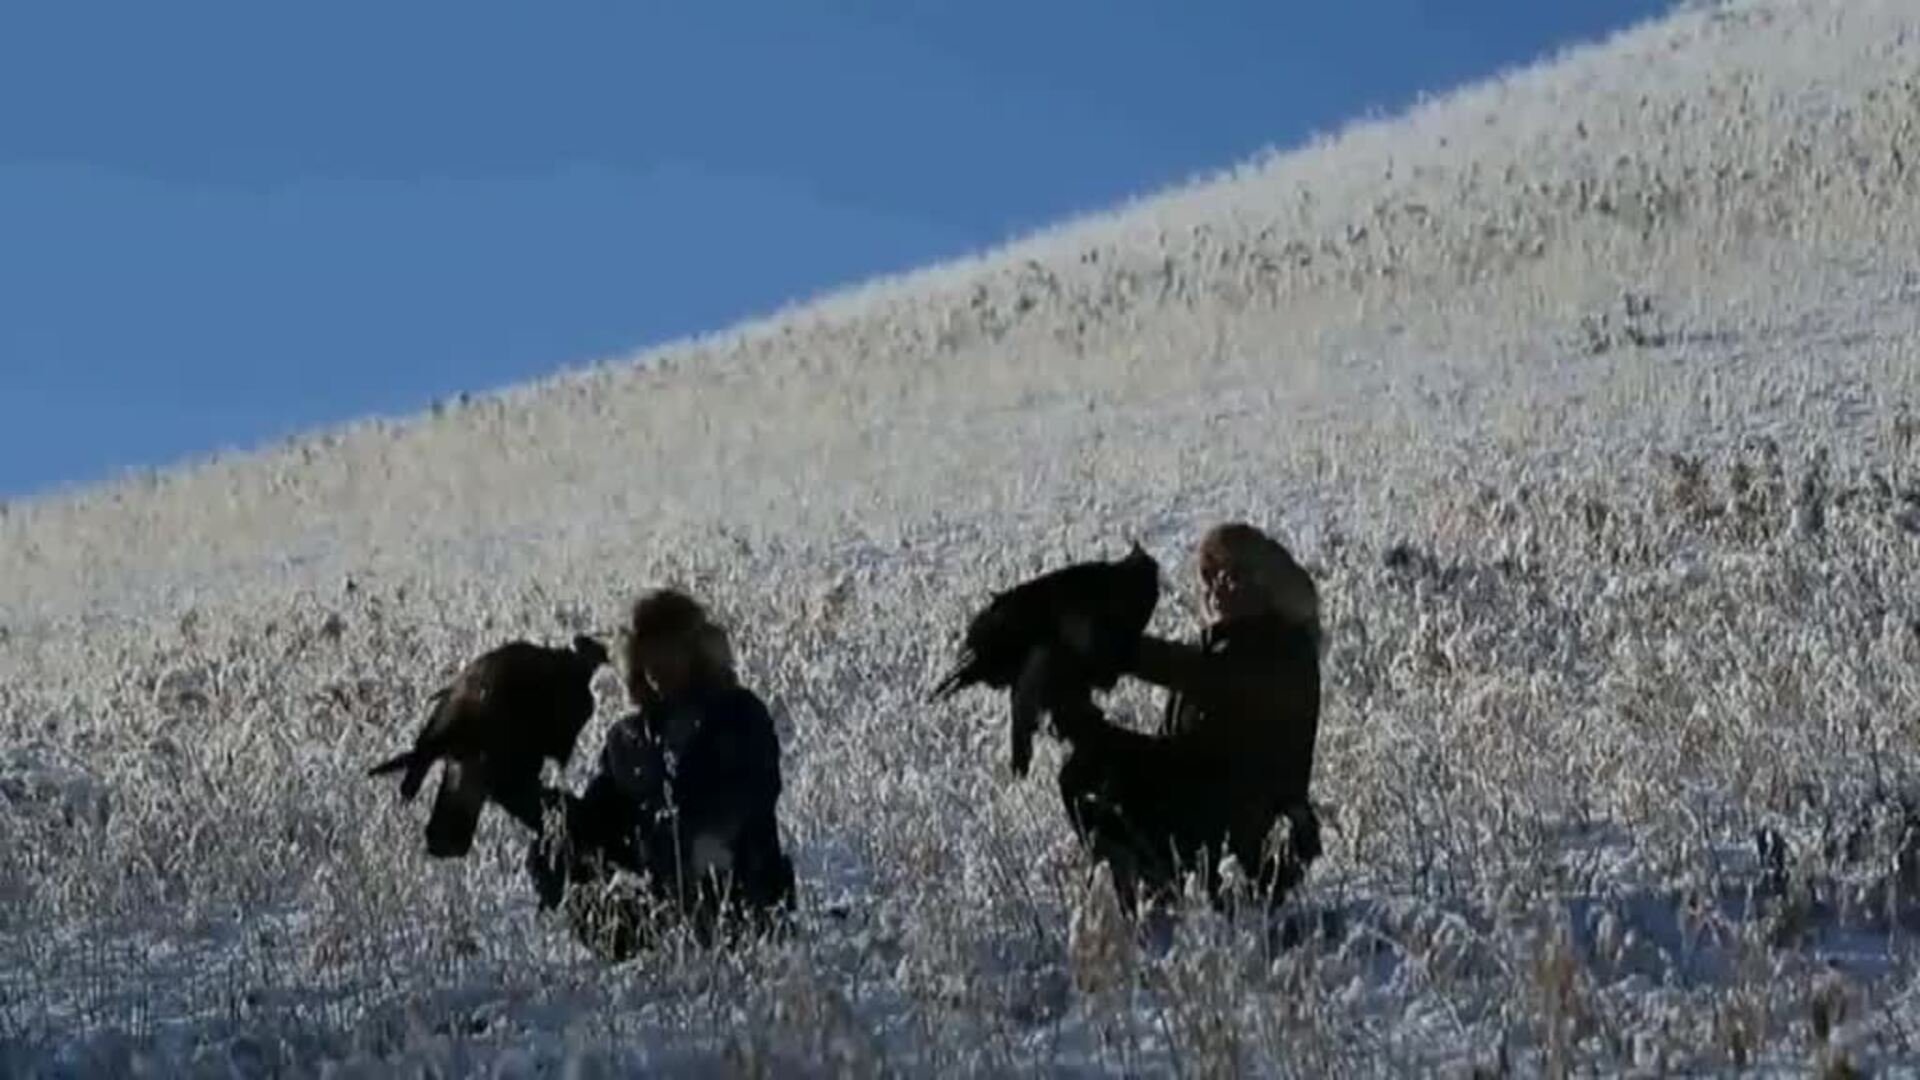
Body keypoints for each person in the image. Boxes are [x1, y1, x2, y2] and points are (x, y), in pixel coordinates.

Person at [1048, 521, 1325, 917]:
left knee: (1094, 763)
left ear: (1268, 583)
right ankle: (1136, 906)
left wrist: (1110, 647)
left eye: (1233, 573)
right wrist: (1092, 732)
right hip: (1203, 821)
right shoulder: (1218, 651)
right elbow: (1174, 755)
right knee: (1086, 766)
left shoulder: (1285, 653)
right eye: (1209, 575)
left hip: (1246, 842)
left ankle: (1159, 902)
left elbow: (1210, 678)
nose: (1217, 585)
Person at [511, 588, 796, 958]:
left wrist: (672, 826)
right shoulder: (629, 738)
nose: (659, 664)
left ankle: (713, 949)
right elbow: (598, 820)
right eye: (648, 652)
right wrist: (546, 809)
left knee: (698, 848)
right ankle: (628, 953)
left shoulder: (738, 714)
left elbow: (747, 801)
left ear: (695, 651)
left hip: (740, 896)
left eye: (670, 650)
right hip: (659, 907)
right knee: (553, 849)